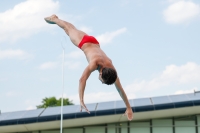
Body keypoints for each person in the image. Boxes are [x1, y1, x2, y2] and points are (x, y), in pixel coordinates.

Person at [44, 15, 133, 121]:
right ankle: (55, 19)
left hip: (94, 42)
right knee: (67, 29)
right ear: (100, 74)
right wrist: (81, 100)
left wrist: (129, 108)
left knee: (71, 29)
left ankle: (57, 19)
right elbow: (82, 79)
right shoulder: (94, 63)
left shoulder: (111, 69)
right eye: (102, 81)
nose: (101, 82)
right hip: (83, 43)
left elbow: (120, 90)